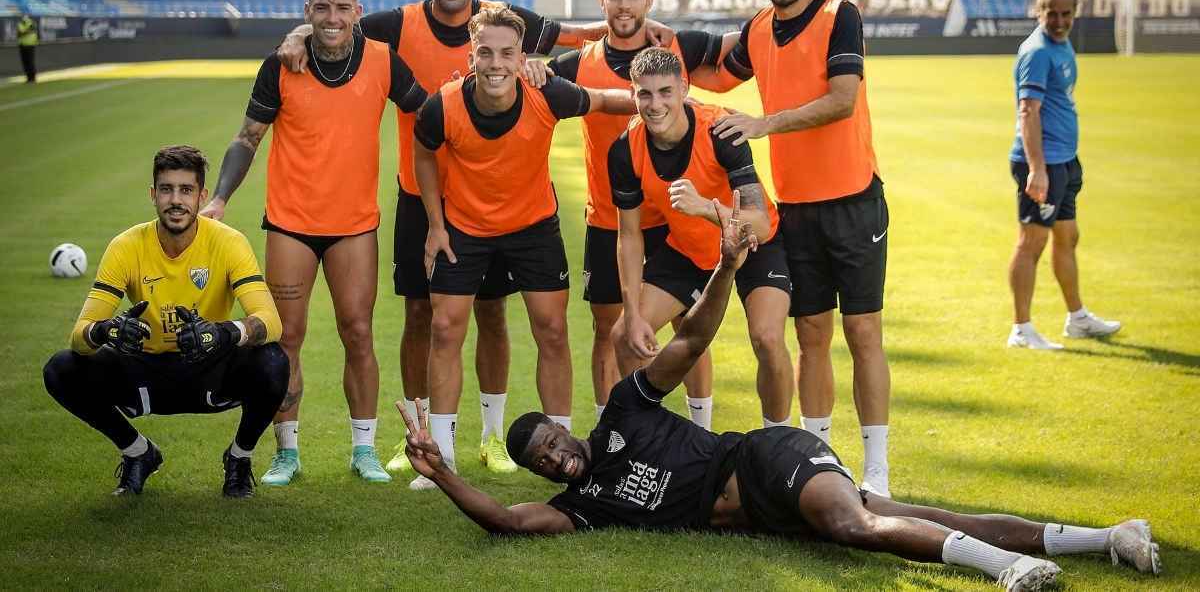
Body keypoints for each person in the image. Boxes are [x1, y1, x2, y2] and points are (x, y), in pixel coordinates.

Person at [397, 191, 1161, 591]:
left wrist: (726, 266)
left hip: (764, 459)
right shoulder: (583, 506)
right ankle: (1108, 538)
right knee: (926, 516)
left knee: (855, 524)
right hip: (767, 514)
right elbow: (505, 521)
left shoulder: (624, 409)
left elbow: (690, 342)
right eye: (542, 460)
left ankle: (1006, 570)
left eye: (552, 440)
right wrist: (441, 470)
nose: (556, 456)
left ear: (566, 429)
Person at [275, 0, 675, 479]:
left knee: (515, 320)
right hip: (436, 207)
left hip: (516, 212)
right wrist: (298, 33)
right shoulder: (406, 35)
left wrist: (659, 92)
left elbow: (577, 50)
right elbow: (336, 25)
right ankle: (425, 445)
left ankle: (503, 438)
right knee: (428, 319)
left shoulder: (510, 35)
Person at [201, 0, 427, 486]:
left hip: (354, 225)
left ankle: (364, 450)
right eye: (321, 7)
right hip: (291, 223)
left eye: (342, 8)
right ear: (307, 10)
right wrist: (219, 198)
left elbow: (429, 111)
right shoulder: (281, 64)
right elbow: (248, 138)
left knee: (358, 332)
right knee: (286, 338)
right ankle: (287, 452)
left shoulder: (382, 60)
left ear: (357, 12)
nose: (332, 17)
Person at [409, 6, 636, 490]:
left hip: (533, 227)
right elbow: (424, 153)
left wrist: (660, 100)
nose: (495, 63)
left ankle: (567, 444)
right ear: (471, 56)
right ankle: (441, 459)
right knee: (445, 330)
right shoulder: (442, 106)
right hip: (465, 228)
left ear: (521, 57)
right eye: (485, 53)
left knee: (552, 330)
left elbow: (603, 99)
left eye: (507, 53)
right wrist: (435, 225)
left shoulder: (547, 93)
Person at [706, 0, 892, 496]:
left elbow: (842, 99)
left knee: (862, 331)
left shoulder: (840, 14)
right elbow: (716, 73)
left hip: (854, 200)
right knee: (811, 333)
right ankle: (821, 460)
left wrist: (766, 123)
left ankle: (878, 471)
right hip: (797, 209)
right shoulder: (758, 29)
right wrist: (644, 45)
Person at [526, 0, 734, 428]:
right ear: (602, 2)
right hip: (610, 218)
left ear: (649, 0)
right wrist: (531, 67)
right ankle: (613, 433)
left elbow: (746, 45)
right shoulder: (578, 63)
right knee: (608, 328)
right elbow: (526, 80)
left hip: (673, 221)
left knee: (689, 326)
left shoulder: (675, 49)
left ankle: (701, 431)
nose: (624, 5)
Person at [42, 145, 288, 498]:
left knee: (273, 361)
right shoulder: (126, 246)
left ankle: (239, 458)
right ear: (153, 195)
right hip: (144, 370)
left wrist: (222, 333)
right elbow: (79, 338)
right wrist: (106, 330)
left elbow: (271, 322)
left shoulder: (229, 242)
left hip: (209, 368)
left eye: (186, 190)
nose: (176, 200)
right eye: (167, 189)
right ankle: (138, 452)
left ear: (201, 196)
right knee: (61, 368)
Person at [605, 47, 794, 431]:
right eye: (645, 94)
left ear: (683, 89)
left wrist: (705, 208)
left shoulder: (720, 131)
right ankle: (650, 443)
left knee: (768, 338)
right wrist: (634, 311)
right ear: (632, 94)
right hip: (691, 251)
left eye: (665, 92)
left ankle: (780, 442)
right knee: (625, 335)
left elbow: (759, 224)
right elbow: (629, 236)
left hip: (754, 247)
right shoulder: (625, 149)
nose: (655, 104)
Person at [1006, 0, 1120, 350]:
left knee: (1068, 237)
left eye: (1065, 13)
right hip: (1043, 165)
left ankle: (1077, 318)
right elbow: (1028, 111)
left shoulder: (1061, 43)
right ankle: (1021, 329)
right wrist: (1037, 169)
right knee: (1031, 243)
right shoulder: (1037, 52)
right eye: (1051, 13)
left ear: (1075, 12)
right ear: (1038, 11)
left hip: (1064, 161)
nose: (1058, 21)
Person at [17, 14, 37, 83]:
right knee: (25, 62)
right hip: (22, 44)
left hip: (30, 44)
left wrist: (23, 32)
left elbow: (26, 32)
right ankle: (28, 78)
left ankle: (33, 78)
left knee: (30, 62)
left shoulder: (31, 23)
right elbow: (19, 33)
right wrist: (25, 32)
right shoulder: (20, 23)